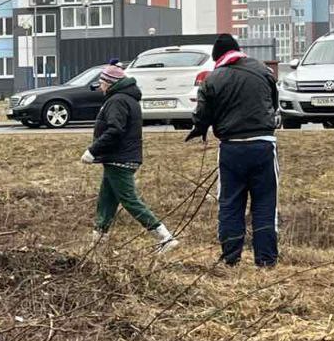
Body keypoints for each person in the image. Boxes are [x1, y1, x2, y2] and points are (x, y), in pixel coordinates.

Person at [187, 34, 281, 268]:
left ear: (217, 57)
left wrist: (199, 130)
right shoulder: (262, 71)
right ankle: (266, 260)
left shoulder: (213, 78)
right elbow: (274, 102)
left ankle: (231, 258)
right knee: (265, 202)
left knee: (229, 202)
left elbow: (202, 115)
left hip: (231, 148)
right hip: (263, 145)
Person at [82, 64, 178, 253]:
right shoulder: (127, 99)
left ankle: (165, 236)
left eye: (101, 82)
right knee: (107, 201)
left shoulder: (117, 101)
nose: (100, 86)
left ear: (109, 83)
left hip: (119, 158)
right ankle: (98, 242)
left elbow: (115, 130)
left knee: (129, 200)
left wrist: (93, 150)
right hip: (119, 158)